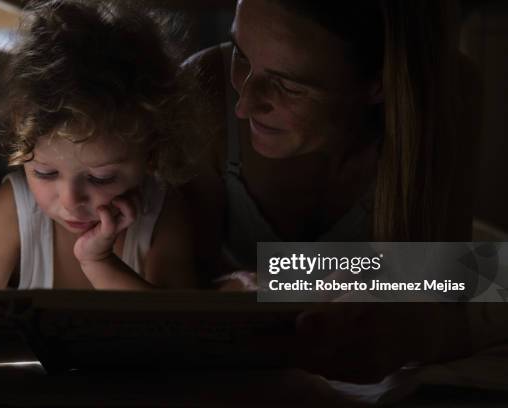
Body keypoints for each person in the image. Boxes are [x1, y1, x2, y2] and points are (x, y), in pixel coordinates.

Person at [181, 0, 497, 384]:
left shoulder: (448, 94)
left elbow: (445, 286)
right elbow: (180, 291)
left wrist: (407, 333)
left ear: (377, 84)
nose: (244, 104)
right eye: (241, 56)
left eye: (289, 86)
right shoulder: (203, 91)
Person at [0, 0, 203, 291]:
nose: (70, 201)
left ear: (152, 154)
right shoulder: (14, 211)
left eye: (100, 178)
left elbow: (176, 329)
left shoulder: (162, 213)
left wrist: (98, 262)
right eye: (45, 173)